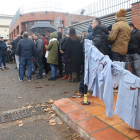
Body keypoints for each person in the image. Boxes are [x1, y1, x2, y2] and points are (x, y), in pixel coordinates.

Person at [72, 24, 92, 98]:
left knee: (86, 73)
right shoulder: (102, 35)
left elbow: (85, 50)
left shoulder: (88, 36)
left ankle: (82, 90)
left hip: (88, 59)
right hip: (99, 59)